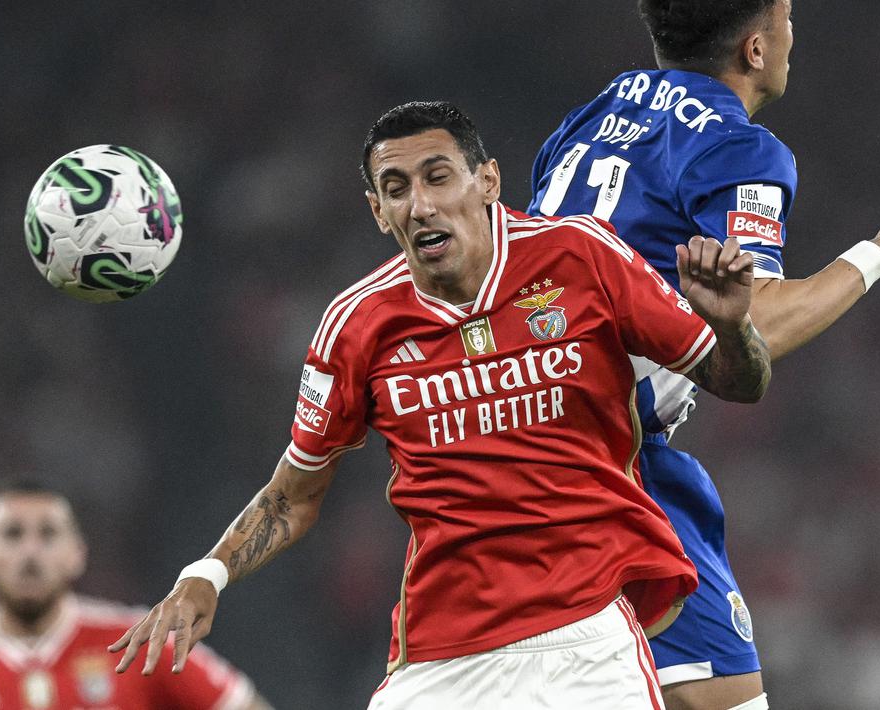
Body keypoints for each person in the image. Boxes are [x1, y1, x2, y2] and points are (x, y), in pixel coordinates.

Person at [109, 100, 770, 709]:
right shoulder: (358, 323)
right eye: (396, 189)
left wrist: (733, 325)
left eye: (436, 177)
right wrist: (207, 574)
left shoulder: (580, 257)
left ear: (486, 181)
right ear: (377, 211)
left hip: (587, 646)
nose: (419, 204)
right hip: (440, 660)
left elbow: (736, 381)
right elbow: (295, 494)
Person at [526, 2, 880, 708]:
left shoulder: (590, 119)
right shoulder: (737, 148)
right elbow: (756, 326)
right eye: (788, 15)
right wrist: (875, 255)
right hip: (605, 460)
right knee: (721, 697)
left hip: (514, 436)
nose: (791, 34)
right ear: (754, 47)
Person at [0, 481, 270, 710]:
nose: (30, 552)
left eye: (48, 534)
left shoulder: (143, 644)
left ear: (77, 554)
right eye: (13, 534)